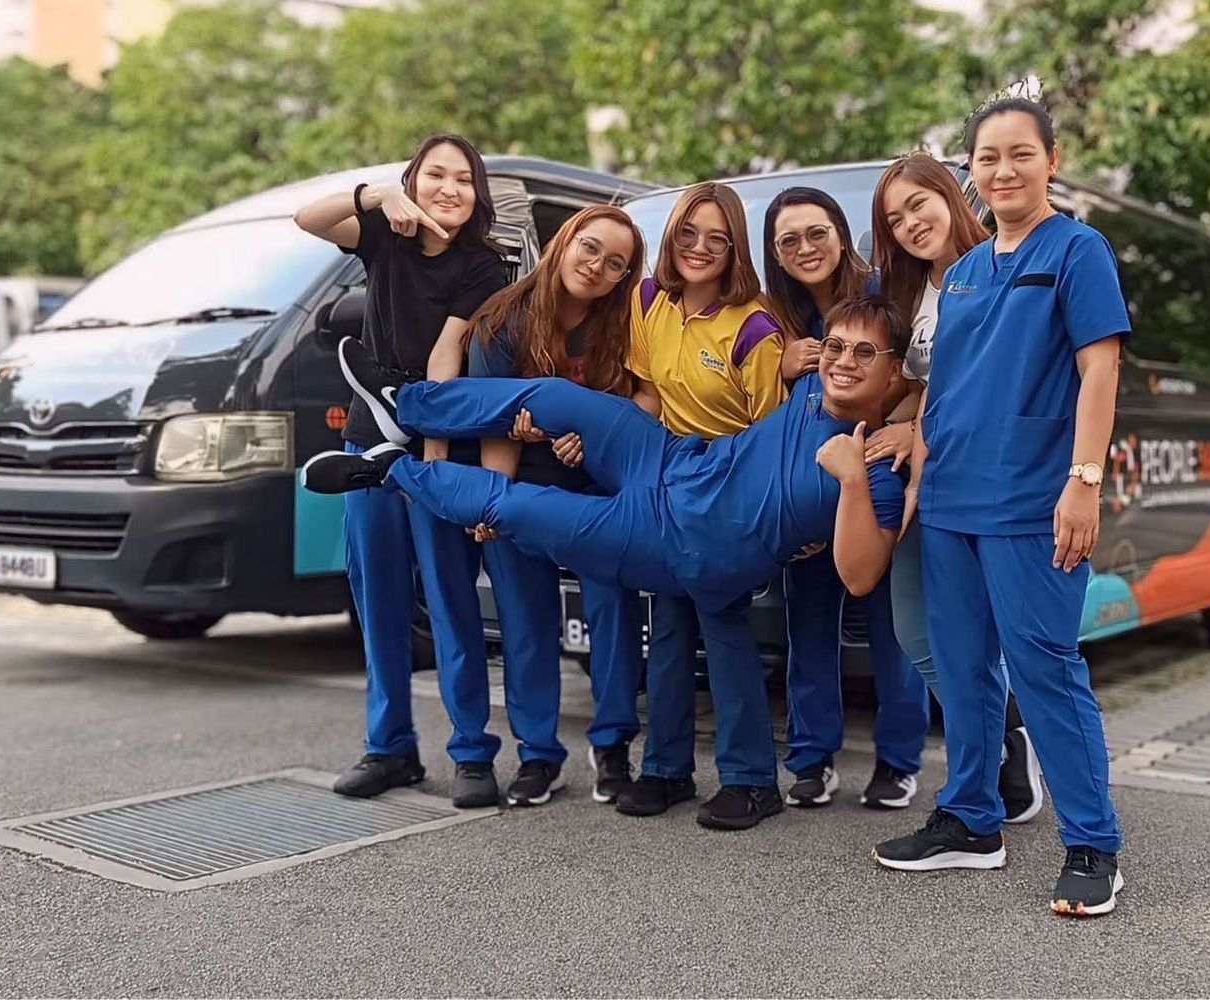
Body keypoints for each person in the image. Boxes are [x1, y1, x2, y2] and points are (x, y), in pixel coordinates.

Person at [300, 300, 910, 795]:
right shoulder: (808, 387)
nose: (844, 361)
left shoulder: (876, 473)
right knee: (554, 397)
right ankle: (403, 405)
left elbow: (860, 575)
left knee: (520, 509)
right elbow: (915, 392)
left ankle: (387, 472)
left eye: (864, 353)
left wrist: (854, 475)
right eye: (835, 346)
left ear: (893, 371)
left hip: (677, 540)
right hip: (674, 459)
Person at [871, 99, 1131, 918]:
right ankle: (973, 819)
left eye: (1021, 154)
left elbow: (1100, 371)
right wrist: (917, 458)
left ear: (1052, 159)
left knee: (1046, 668)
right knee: (964, 671)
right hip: (950, 500)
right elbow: (945, 386)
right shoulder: (968, 272)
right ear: (970, 171)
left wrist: (1083, 481)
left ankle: (1094, 845)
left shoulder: (1079, 251)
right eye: (988, 157)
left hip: (1030, 500)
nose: (1003, 171)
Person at [292, 133, 512, 808]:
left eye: (463, 178)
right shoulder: (384, 238)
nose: (449, 188)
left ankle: (472, 751)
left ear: (477, 194)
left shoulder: (485, 266)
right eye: (434, 175)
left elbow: (449, 355)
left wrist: (436, 444)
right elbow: (307, 217)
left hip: (435, 438)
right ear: (414, 181)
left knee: (448, 598)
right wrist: (376, 194)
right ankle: (389, 749)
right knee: (379, 600)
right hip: (367, 445)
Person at [869, 151, 1044, 824]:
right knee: (916, 631)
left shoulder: (1001, 270)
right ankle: (1003, 734)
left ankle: (995, 761)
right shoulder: (914, 293)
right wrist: (907, 424)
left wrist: (921, 431)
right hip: (926, 481)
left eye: (919, 205)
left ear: (950, 195)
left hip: (989, 483)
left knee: (991, 635)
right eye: (896, 218)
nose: (912, 223)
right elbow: (921, 379)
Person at [615, 182, 790, 830]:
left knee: (722, 625)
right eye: (689, 232)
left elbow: (767, 434)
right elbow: (649, 395)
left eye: (718, 238)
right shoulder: (648, 301)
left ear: (734, 249)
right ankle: (665, 771)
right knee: (667, 629)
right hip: (667, 483)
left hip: (731, 485)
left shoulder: (755, 325)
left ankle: (751, 781)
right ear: (672, 234)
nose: (700, 248)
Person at [464, 205, 649, 808]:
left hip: (595, 488)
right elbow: (492, 421)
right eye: (590, 249)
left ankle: (613, 745)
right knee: (523, 621)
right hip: (522, 486)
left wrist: (592, 436)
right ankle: (539, 754)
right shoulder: (501, 322)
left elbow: (640, 403)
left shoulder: (624, 325)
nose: (598, 267)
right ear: (565, 242)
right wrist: (495, 500)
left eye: (616, 263)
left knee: (613, 615)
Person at [762, 188, 928, 811]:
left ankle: (898, 761)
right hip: (809, 483)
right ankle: (811, 759)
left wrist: (910, 427)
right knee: (807, 622)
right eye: (788, 241)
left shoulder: (888, 294)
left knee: (896, 624)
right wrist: (778, 367)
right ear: (775, 254)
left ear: (840, 232)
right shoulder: (777, 316)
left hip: (880, 469)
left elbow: (925, 377)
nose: (805, 249)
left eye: (816, 232)